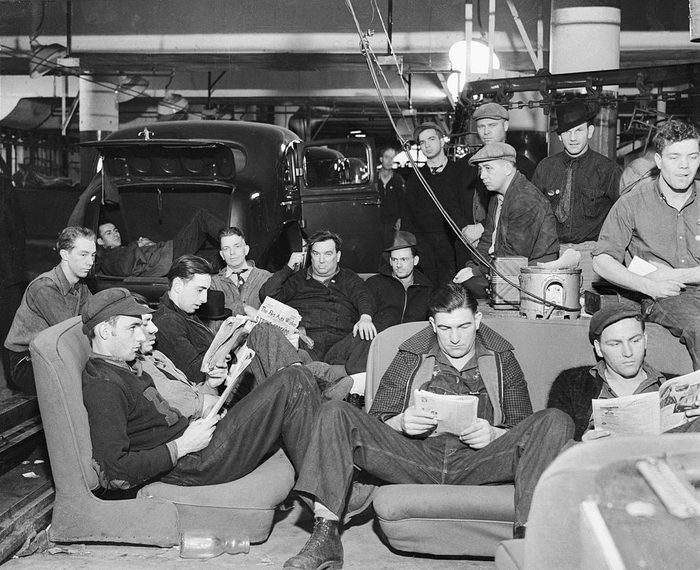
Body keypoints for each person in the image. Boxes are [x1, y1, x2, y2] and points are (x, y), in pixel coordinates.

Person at [284, 284, 574, 569]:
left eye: (464, 327)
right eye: (446, 329)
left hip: (480, 461)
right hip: (416, 459)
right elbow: (375, 420)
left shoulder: (502, 358)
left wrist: (495, 433)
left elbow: (524, 425)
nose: (456, 338)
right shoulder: (411, 353)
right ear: (433, 325)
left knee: (556, 420)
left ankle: (529, 544)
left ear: (478, 320)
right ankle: (325, 538)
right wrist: (401, 421)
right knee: (336, 411)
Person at [80, 288, 323, 496]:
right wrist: (182, 446)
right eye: (133, 327)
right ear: (104, 331)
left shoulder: (126, 366)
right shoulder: (104, 384)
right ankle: (323, 486)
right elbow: (113, 472)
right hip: (193, 463)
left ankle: (324, 473)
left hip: (199, 440)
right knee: (293, 378)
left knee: (288, 372)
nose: (142, 335)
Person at [592, 119, 700, 369]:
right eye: (674, 157)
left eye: (693, 156)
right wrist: (648, 285)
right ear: (659, 161)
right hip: (667, 297)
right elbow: (602, 261)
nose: (685, 166)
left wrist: (676, 274)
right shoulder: (633, 202)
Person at [548, 303, 700, 441]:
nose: (628, 352)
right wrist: (581, 446)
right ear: (599, 348)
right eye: (615, 344)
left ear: (645, 340)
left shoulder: (673, 386)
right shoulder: (572, 383)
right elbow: (551, 445)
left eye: (635, 341)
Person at [533, 99, 621, 291]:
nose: (572, 138)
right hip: (552, 253)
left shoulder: (608, 170)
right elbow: (532, 216)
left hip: (591, 258)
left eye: (579, 130)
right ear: (559, 137)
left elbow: (624, 219)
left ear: (590, 132)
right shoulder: (545, 168)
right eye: (567, 132)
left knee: (590, 315)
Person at [259, 230, 376, 372]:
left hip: (341, 344)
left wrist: (365, 318)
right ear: (310, 256)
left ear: (338, 256)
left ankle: (345, 385)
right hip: (307, 344)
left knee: (367, 335)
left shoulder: (349, 278)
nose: (321, 260)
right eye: (316, 254)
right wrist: (288, 268)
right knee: (273, 337)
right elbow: (267, 297)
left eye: (328, 254)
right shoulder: (297, 280)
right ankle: (324, 381)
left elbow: (363, 296)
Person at [454, 143, 559, 298]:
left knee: (465, 288)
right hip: (506, 267)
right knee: (462, 284)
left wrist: (477, 271)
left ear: (508, 169)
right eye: (481, 169)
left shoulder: (525, 199)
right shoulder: (497, 197)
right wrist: (472, 265)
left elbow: (513, 256)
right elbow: (487, 239)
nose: (482, 175)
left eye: (488, 168)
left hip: (533, 274)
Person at [5, 226, 95, 393]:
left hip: (54, 351)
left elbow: (95, 314)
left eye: (93, 255)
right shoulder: (45, 287)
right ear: (65, 255)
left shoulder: (80, 286)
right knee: (90, 382)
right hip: (26, 361)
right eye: (83, 254)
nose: (90, 261)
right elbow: (71, 332)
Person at [401, 122, 483, 285]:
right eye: (422, 143)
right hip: (424, 245)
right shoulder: (416, 177)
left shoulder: (459, 172)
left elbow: (468, 207)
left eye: (431, 139)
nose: (427, 146)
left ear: (442, 141)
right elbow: (407, 215)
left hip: (454, 243)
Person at [151, 255, 226, 386]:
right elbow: (194, 374)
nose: (204, 299)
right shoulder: (168, 322)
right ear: (178, 286)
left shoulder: (184, 313)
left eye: (207, 291)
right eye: (200, 290)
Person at [96, 208, 225, 277]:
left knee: (214, 259)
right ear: (100, 241)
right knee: (201, 217)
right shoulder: (107, 259)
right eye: (109, 233)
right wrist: (137, 245)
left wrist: (149, 245)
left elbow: (138, 260)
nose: (115, 235)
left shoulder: (121, 250)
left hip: (168, 256)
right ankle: (231, 237)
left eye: (115, 230)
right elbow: (124, 269)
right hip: (170, 256)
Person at [138, 312, 219, 419]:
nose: (155, 329)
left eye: (151, 321)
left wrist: (210, 385)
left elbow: (191, 389)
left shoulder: (156, 355)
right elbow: (183, 402)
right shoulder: (139, 369)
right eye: (145, 323)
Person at [366, 231, 433, 331]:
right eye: (394, 259)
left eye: (404, 259)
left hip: (412, 343)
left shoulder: (427, 290)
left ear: (415, 261)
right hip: (380, 341)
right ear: (390, 261)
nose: (398, 265)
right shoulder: (374, 283)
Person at [209, 226, 271, 318]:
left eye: (237, 246)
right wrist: (244, 308)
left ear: (246, 250)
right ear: (222, 255)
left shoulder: (266, 277)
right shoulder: (213, 283)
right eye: (226, 248)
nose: (232, 252)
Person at [0, 177, 25, 384]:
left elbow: (17, 231)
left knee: (9, 334)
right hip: (8, 275)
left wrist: (13, 272)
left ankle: (13, 382)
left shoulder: (3, 188)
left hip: (6, 277)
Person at [377, 146, 405, 251]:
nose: (389, 161)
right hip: (376, 223)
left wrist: (400, 219)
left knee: (391, 252)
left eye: (392, 158)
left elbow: (403, 202)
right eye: (386, 157)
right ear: (381, 159)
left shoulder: (398, 180)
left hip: (392, 225)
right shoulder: (374, 180)